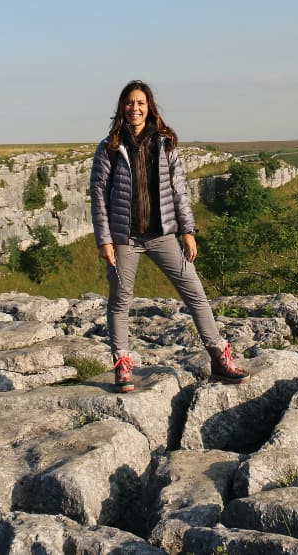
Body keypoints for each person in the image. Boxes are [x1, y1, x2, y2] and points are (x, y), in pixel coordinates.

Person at [89, 79, 249, 393]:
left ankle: (219, 356)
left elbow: (179, 191)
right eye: (129, 103)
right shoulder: (109, 147)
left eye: (140, 103)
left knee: (195, 293)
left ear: (149, 108)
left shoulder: (165, 143)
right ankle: (122, 366)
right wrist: (104, 239)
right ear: (122, 107)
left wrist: (187, 231)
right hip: (125, 238)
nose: (134, 108)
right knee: (120, 301)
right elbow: (98, 195)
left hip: (162, 234)